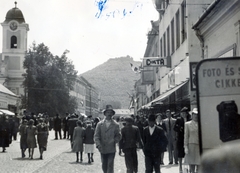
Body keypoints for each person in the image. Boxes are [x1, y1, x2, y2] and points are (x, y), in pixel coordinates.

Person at [94, 105, 121, 173]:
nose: (109, 114)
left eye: (110, 112)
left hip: (111, 149)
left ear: (112, 114)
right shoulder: (100, 124)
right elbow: (96, 136)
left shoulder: (116, 124)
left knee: (110, 165)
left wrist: (114, 140)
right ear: (105, 113)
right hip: (102, 148)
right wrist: (98, 144)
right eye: (107, 112)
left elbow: (119, 135)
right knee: (104, 165)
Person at [174, 107, 191, 173]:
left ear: (187, 113)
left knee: (188, 153)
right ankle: (180, 167)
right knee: (180, 154)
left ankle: (189, 168)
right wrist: (179, 128)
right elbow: (175, 128)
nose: (183, 115)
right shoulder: (178, 119)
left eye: (184, 113)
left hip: (188, 138)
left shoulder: (189, 119)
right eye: (182, 113)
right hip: (180, 138)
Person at [184, 108, 200, 173]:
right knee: (192, 163)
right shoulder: (187, 124)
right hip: (191, 146)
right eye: (194, 114)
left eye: (197, 114)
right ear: (192, 115)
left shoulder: (201, 123)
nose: (196, 116)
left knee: (199, 163)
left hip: (199, 146)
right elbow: (186, 136)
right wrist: (186, 146)